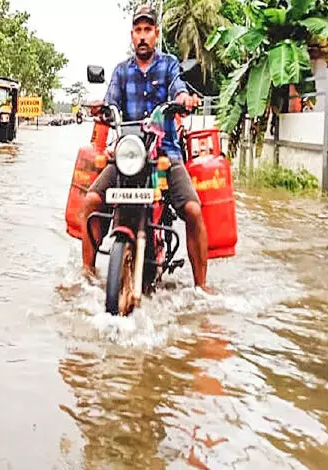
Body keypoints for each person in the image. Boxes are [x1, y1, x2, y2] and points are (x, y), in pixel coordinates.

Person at [80, 5, 213, 294]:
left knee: (192, 209)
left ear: (156, 34)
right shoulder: (121, 71)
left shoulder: (168, 65)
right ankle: (86, 276)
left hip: (165, 153)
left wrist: (183, 98)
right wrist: (101, 108)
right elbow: (111, 102)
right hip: (129, 155)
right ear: (132, 35)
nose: (142, 36)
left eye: (148, 30)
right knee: (90, 202)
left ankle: (202, 288)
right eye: (138, 30)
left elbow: (178, 87)